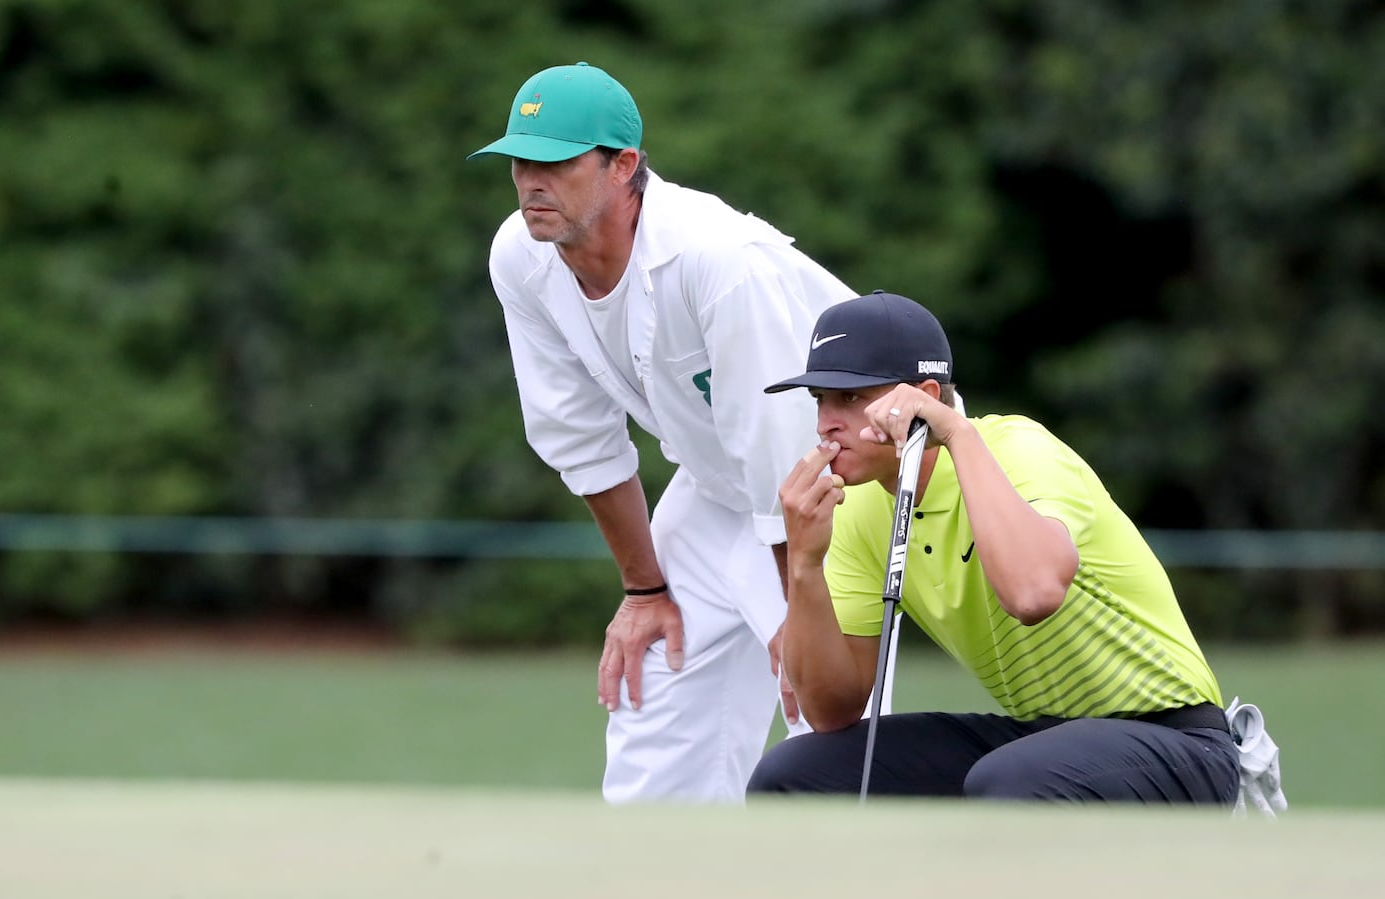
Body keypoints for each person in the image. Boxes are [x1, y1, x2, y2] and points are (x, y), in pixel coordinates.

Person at [467, 62, 856, 803]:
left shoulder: (718, 260)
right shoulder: (520, 256)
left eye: (555, 161)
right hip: (723, 487)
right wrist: (645, 587)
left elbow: (781, 441)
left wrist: (793, 606)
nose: (530, 182)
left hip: (841, 485)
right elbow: (577, 434)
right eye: (520, 161)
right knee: (651, 693)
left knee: (834, 723)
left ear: (623, 166)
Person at [747, 290, 1242, 803]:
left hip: (1179, 741)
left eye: (850, 398)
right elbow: (831, 711)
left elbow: (1033, 595)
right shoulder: (857, 508)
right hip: (1044, 740)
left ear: (926, 398)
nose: (826, 420)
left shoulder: (1019, 449)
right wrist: (804, 564)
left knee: (1007, 780)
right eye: (820, 400)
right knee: (791, 774)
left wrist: (956, 434)